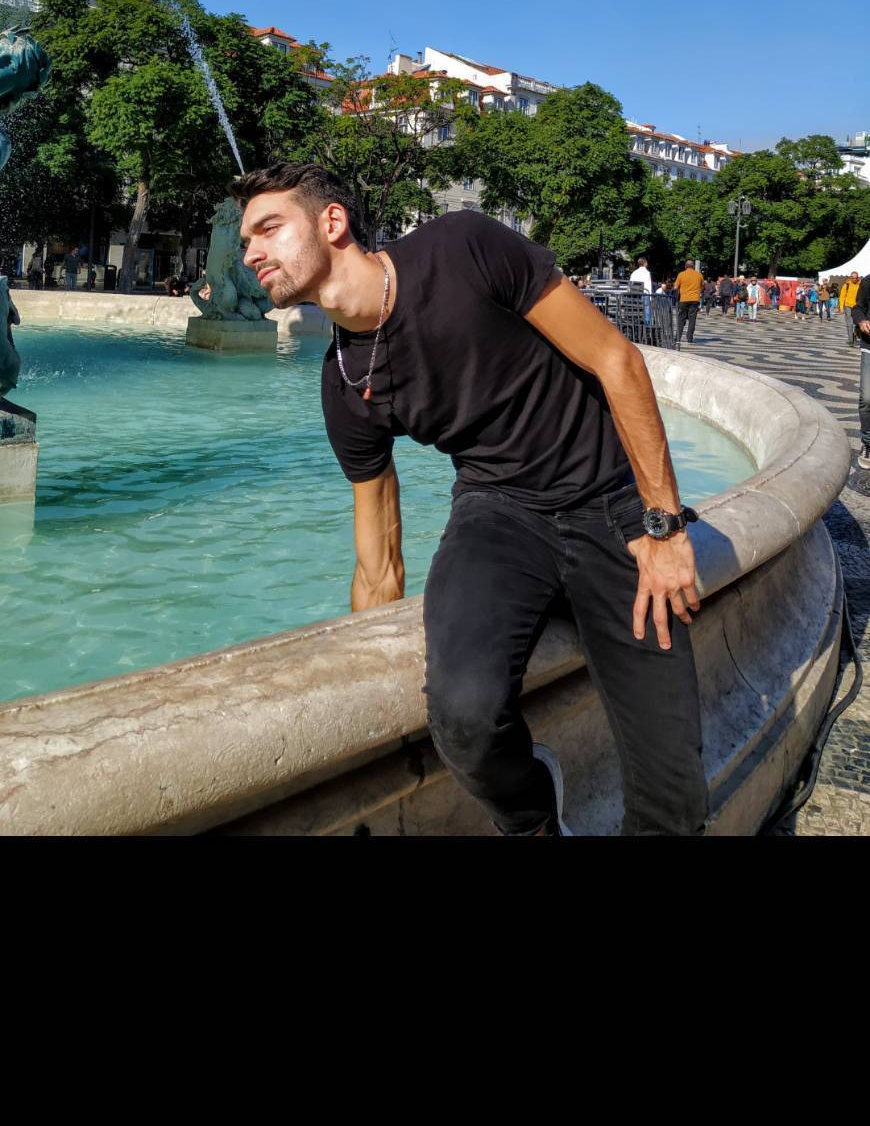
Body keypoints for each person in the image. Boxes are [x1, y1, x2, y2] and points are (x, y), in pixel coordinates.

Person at [236, 162, 708, 839]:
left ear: (332, 222)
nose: (250, 251)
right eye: (247, 237)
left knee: (674, 801)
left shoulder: (463, 248)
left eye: (268, 229)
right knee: (462, 716)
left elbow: (617, 360)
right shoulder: (344, 383)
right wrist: (361, 667)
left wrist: (662, 526)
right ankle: (535, 817)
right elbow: (379, 557)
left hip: (612, 504)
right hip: (498, 514)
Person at [853, 274, 870, 471]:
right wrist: (862, 321)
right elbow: (857, 308)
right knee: (867, 397)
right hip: (869, 345)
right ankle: (868, 442)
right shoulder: (868, 282)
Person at [839, 272, 861, 345]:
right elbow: (842, 296)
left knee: (858, 323)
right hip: (848, 306)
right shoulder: (847, 285)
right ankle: (851, 340)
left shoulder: (860, 285)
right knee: (850, 323)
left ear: (858, 278)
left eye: (856, 278)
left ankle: (855, 336)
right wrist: (841, 307)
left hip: (857, 307)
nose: (854, 279)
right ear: (850, 277)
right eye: (853, 278)